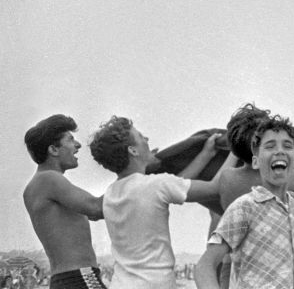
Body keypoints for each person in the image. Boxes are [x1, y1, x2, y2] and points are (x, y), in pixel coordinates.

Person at [89, 116, 222, 289]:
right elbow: (215, 187)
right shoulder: (156, 185)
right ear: (133, 151)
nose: (147, 140)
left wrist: (205, 155)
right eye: (141, 137)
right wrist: (236, 150)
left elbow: (178, 183)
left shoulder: (111, 193)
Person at [195, 115, 294, 289]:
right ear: (255, 161)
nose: (279, 151)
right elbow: (204, 266)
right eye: (270, 146)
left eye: (287, 146)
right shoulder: (244, 207)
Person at [22, 114, 107, 289]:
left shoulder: (37, 185)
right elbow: (96, 208)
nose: (78, 145)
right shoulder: (49, 179)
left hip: (63, 280)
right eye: (70, 139)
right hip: (81, 277)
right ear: (53, 149)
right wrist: (135, 174)